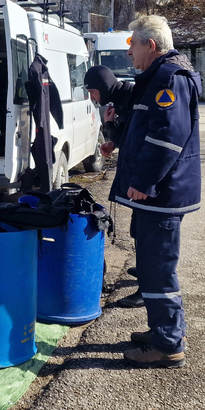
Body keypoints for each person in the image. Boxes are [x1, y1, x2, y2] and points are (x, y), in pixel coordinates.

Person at [108, 16, 201, 368]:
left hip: (160, 195)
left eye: (132, 45)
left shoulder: (168, 78)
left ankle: (167, 344)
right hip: (158, 195)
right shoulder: (159, 75)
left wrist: (144, 182)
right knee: (152, 266)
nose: (129, 53)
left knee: (158, 268)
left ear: (150, 45)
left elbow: (166, 139)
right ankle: (165, 331)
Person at [84, 65, 145, 308]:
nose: (92, 98)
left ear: (103, 87)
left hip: (143, 178)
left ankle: (148, 287)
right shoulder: (119, 101)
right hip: (135, 175)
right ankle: (144, 271)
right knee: (137, 228)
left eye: (92, 92)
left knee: (147, 232)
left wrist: (112, 129)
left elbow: (136, 140)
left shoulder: (132, 97)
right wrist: (110, 133)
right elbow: (124, 140)